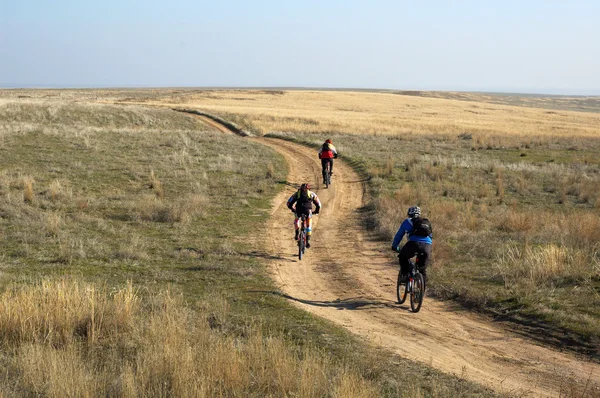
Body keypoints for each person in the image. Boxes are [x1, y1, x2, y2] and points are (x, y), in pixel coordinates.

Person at [391, 206, 433, 284]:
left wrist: (394, 246)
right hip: (427, 246)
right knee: (422, 269)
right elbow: (430, 237)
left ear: (409, 214)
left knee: (403, 256)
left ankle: (405, 275)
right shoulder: (426, 223)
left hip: (413, 244)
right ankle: (421, 290)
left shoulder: (407, 221)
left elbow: (399, 235)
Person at [287, 183, 321, 248]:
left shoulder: (297, 194)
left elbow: (288, 203)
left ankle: (297, 233)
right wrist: (316, 211)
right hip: (308, 210)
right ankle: (307, 241)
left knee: (297, 220)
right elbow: (318, 204)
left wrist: (292, 209)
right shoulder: (311, 194)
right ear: (309, 189)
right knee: (309, 225)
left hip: (299, 210)